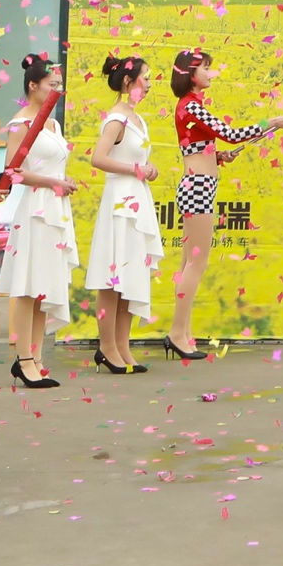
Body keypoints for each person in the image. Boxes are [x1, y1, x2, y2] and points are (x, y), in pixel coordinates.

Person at [167, 49, 283, 360]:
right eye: (206, 68)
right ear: (191, 74)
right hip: (197, 188)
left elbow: (198, 148)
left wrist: (218, 156)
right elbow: (231, 134)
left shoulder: (191, 106)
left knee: (189, 264)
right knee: (195, 264)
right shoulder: (191, 106)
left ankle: (183, 331)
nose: (210, 73)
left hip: (200, 186)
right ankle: (177, 333)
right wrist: (271, 122)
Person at [0, 53, 76, 388]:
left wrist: (62, 182)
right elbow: (13, 170)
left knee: (45, 286)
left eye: (59, 85)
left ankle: (37, 357)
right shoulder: (21, 123)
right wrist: (51, 182)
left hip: (56, 208)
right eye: (51, 84)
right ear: (32, 86)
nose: (57, 90)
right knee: (29, 286)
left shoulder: (53, 124)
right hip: (35, 209)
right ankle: (24, 358)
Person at [86, 54, 160, 372]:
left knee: (130, 275)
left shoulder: (136, 118)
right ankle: (107, 347)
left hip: (136, 198)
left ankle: (122, 346)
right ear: (128, 81)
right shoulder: (117, 118)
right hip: (120, 202)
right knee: (112, 276)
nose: (150, 83)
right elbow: (98, 158)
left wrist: (146, 169)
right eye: (145, 77)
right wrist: (135, 169)